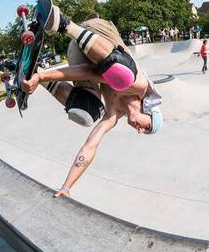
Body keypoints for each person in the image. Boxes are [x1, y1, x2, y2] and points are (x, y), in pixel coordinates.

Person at [21, 13, 163, 198]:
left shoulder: (112, 116)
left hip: (78, 51)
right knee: (123, 77)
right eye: (147, 127)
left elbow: (90, 147)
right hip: (99, 32)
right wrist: (46, 75)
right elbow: (89, 72)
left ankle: (34, 71)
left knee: (87, 113)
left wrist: (67, 186)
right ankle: (63, 23)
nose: (139, 130)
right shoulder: (141, 87)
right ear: (150, 113)